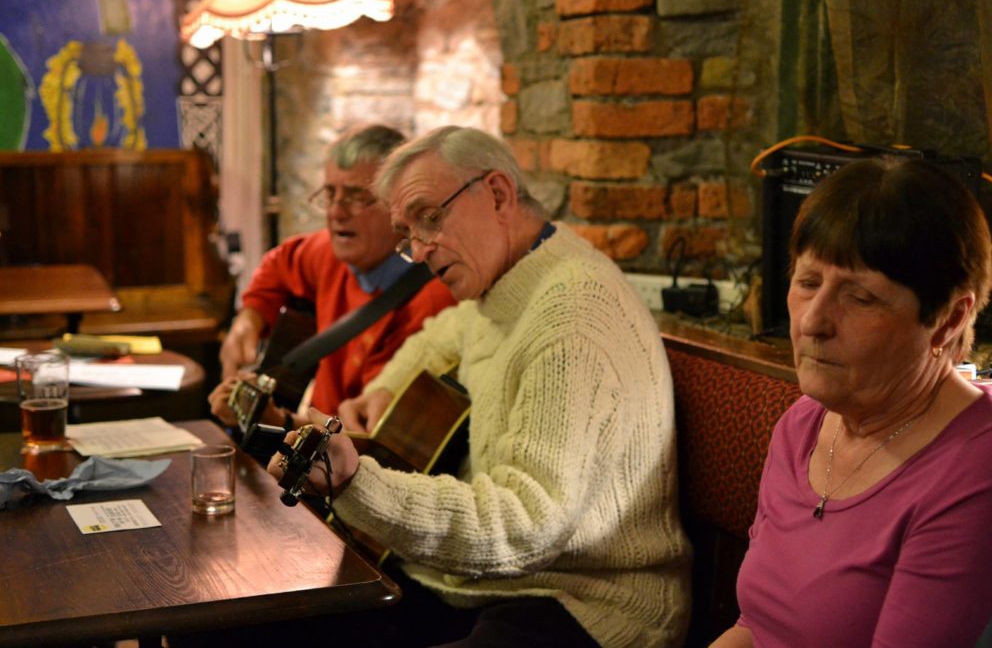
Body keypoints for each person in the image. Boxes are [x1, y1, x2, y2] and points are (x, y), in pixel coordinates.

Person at [266, 126, 691, 647]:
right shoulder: (510, 279)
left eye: (430, 218)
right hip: (485, 585)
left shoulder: (571, 316)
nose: (419, 250)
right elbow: (441, 336)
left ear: (497, 194)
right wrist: (383, 391)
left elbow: (528, 525)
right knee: (254, 620)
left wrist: (358, 484)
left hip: (586, 604)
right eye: (408, 235)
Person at [712, 158, 992, 647]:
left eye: (860, 297)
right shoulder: (802, 426)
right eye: (808, 282)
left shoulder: (975, 470)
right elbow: (753, 627)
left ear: (948, 319)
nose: (812, 322)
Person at [209, 124, 456, 432]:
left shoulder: (431, 303)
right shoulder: (330, 253)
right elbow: (278, 264)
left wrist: (273, 420)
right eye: (330, 193)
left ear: (401, 208)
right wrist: (249, 319)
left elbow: (370, 441)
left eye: (356, 196)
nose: (336, 213)